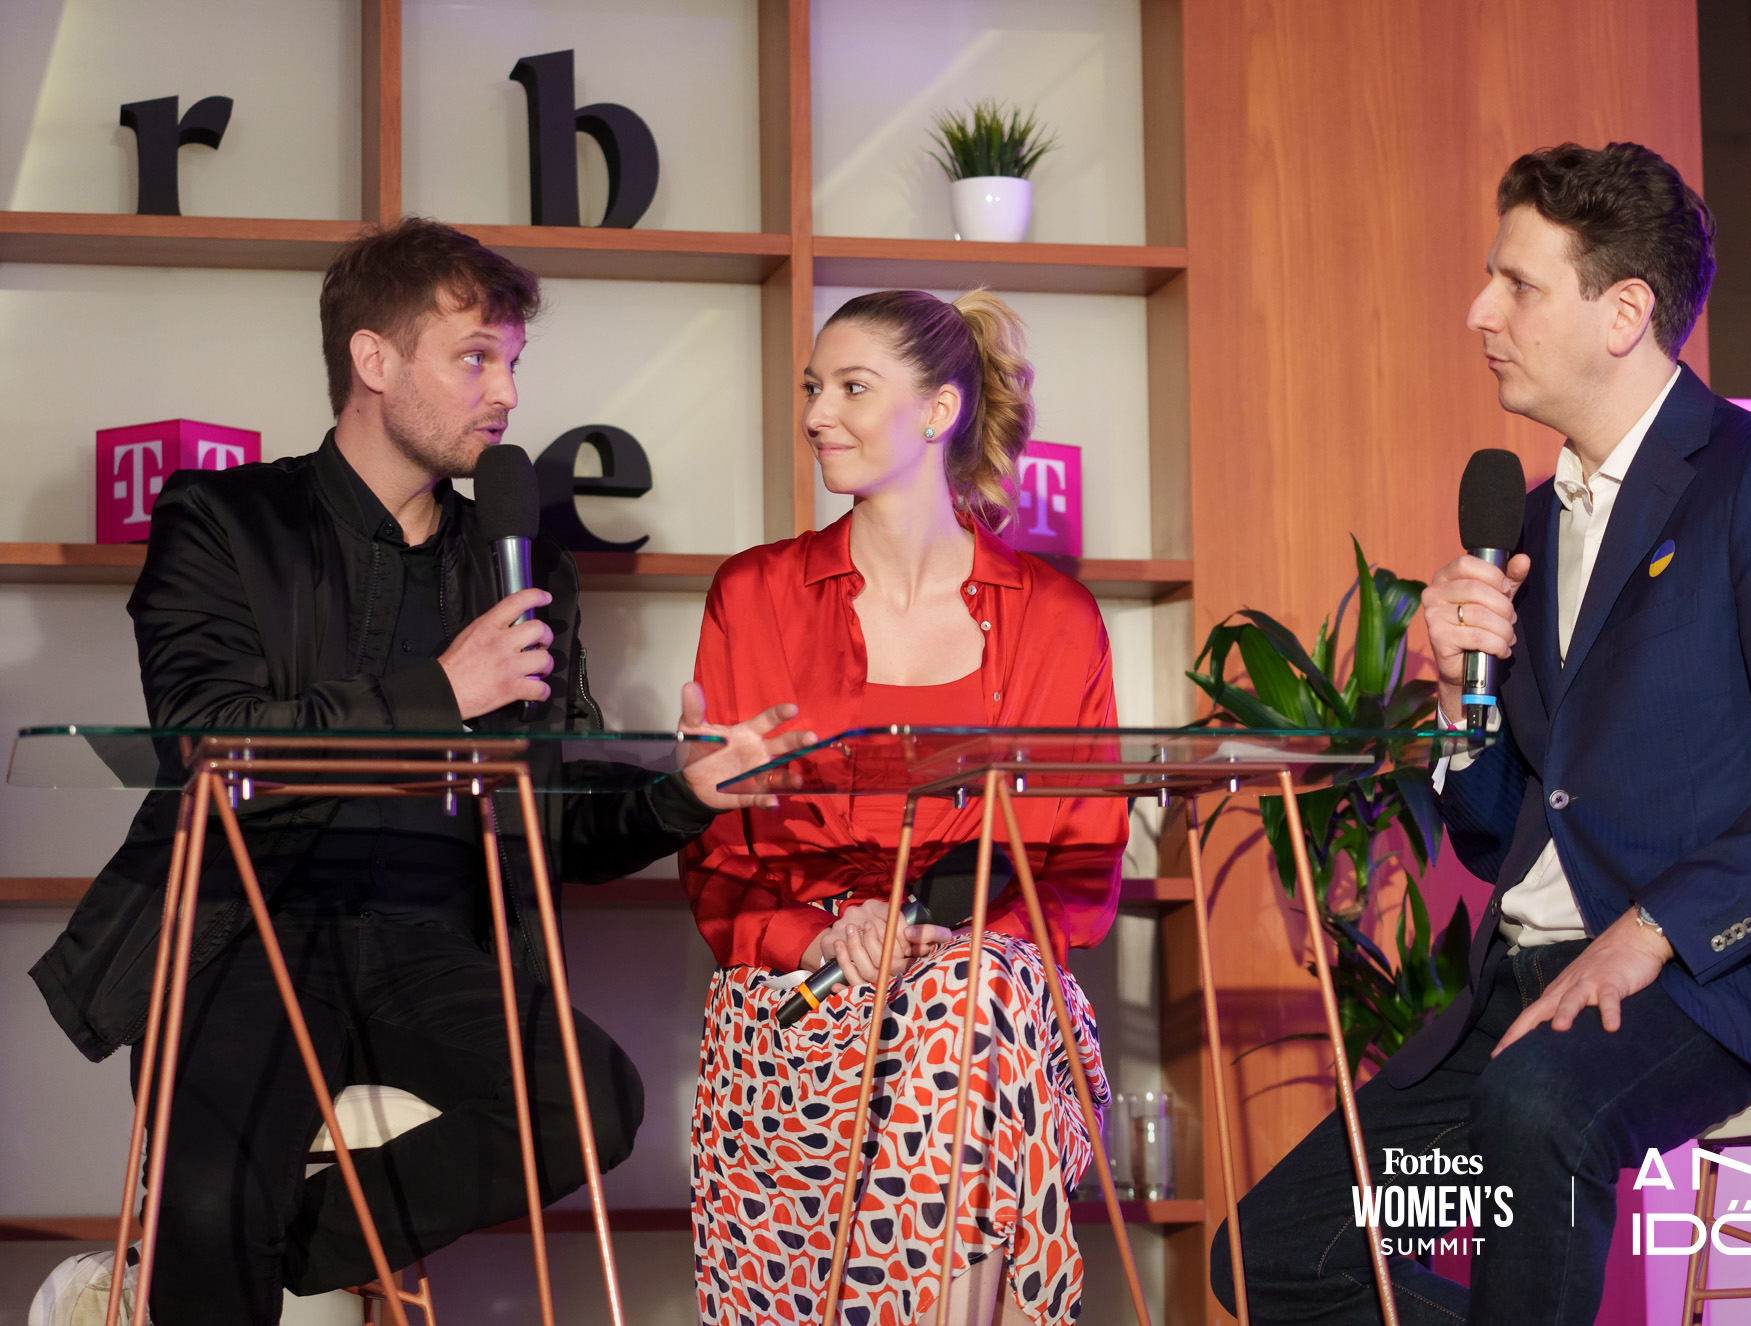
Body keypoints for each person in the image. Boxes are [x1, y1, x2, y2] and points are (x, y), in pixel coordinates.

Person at [27, 218, 809, 1326]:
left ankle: (239, 1251)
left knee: (590, 1101)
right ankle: (211, 1237)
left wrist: (684, 794)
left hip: (432, 943)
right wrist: (443, 688)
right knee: (208, 1195)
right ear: (375, 360)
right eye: (475, 358)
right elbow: (203, 738)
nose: (506, 394)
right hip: (249, 926)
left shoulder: (524, 568)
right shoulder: (223, 519)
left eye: (513, 362)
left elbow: (556, 827)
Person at [1214, 142, 1751, 1324]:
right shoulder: (1532, 523)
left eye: (1518, 285)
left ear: (1624, 313)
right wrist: (1460, 704)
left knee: (1536, 1110)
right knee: (1280, 1254)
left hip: (1713, 982)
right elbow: (1498, 835)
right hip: (1525, 996)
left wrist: (1652, 932)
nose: (1478, 312)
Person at [681, 289, 1128, 1326]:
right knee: (971, 1024)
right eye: (813, 388)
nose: (816, 414)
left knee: (971, 1004)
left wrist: (943, 946)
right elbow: (719, 860)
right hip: (798, 1006)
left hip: (994, 999)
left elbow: (1081, 870)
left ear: (938, 411)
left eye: (851, 388)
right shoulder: (752, 596)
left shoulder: (1059, 620)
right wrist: (826, 935)